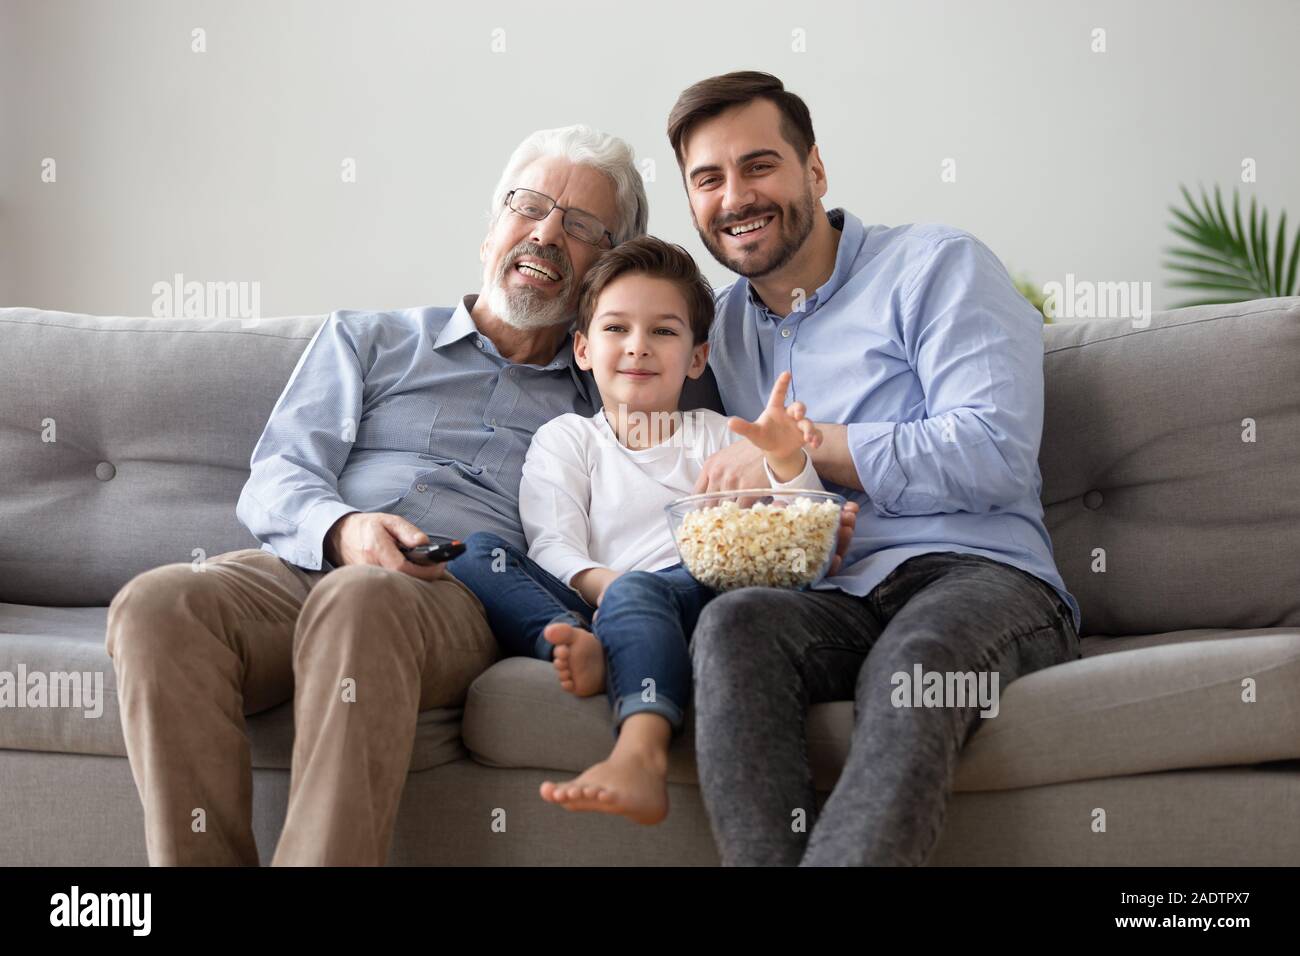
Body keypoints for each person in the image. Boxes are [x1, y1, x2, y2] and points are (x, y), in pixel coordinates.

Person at [668, 71, 1084, 865]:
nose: (735, 197)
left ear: (814, 172)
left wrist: (801, 442)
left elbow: (993, 451)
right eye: (708, 179)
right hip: (829, 596)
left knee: (916, 663)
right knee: (732, 625)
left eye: (760, 166)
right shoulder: (718, 329)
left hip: (982, 578)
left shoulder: (937, 265)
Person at [450, 236, 826, 824]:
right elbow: (553, 544)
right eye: (616, 329)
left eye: (664, 332)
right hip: (594, 598)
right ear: (581, 348)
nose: (638, 348)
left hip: (695, 595)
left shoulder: (719, 435)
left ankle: (640, 752)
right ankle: (583, 641)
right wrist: (610, 593)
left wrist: (784, 459)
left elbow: (799, 533)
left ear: (697, 358)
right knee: (476, 554)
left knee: (643, 589)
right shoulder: (568, 440)